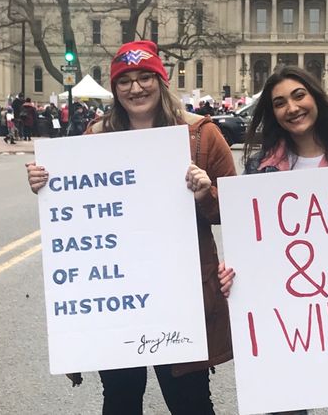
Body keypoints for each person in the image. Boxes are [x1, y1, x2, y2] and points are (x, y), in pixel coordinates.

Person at [25, 40, 234, 414]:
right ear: (115, 89)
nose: (135, 88)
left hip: (180, 295)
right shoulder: (96, 137)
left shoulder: (202, 135)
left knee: (190, 402)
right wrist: (46, 183)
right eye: (125, 81)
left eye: (144, 78)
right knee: (120, 399)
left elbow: (234, 213)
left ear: (161, 80)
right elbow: (77, 204)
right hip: (118, 293)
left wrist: (206, 193)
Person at [217, 66, 328, 415]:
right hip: (284, 322)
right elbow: (254, 244)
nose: (292, 108)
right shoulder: (259, 167)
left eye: (299, 96)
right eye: (279, 102)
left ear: (316, 97)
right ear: (272, 113)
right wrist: (234, 274)